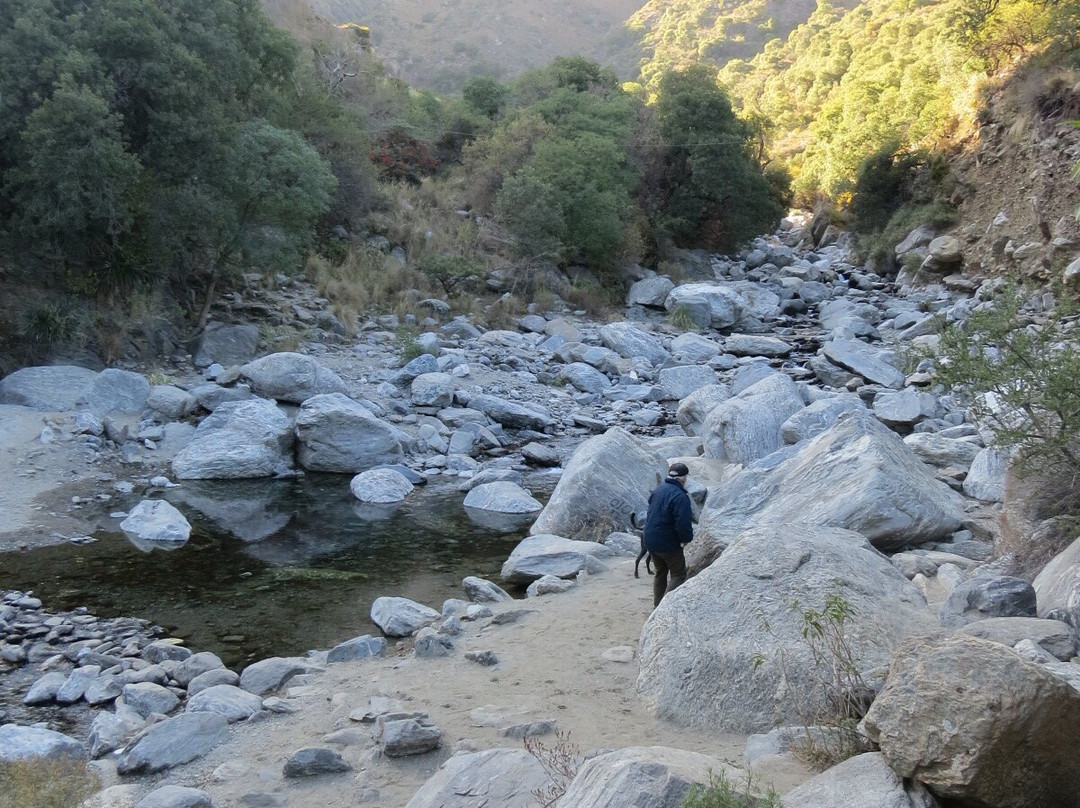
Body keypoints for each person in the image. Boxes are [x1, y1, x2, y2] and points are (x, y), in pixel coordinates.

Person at [642, 462, 693, 607]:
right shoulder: (680, 496)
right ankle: (665, 609)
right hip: (667, 543)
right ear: (683, 479)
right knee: (678, 574)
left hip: (650, 539)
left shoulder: (659, 490)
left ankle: (656, 606)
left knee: (660, 572)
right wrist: (686, 539)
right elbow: (683, 523)